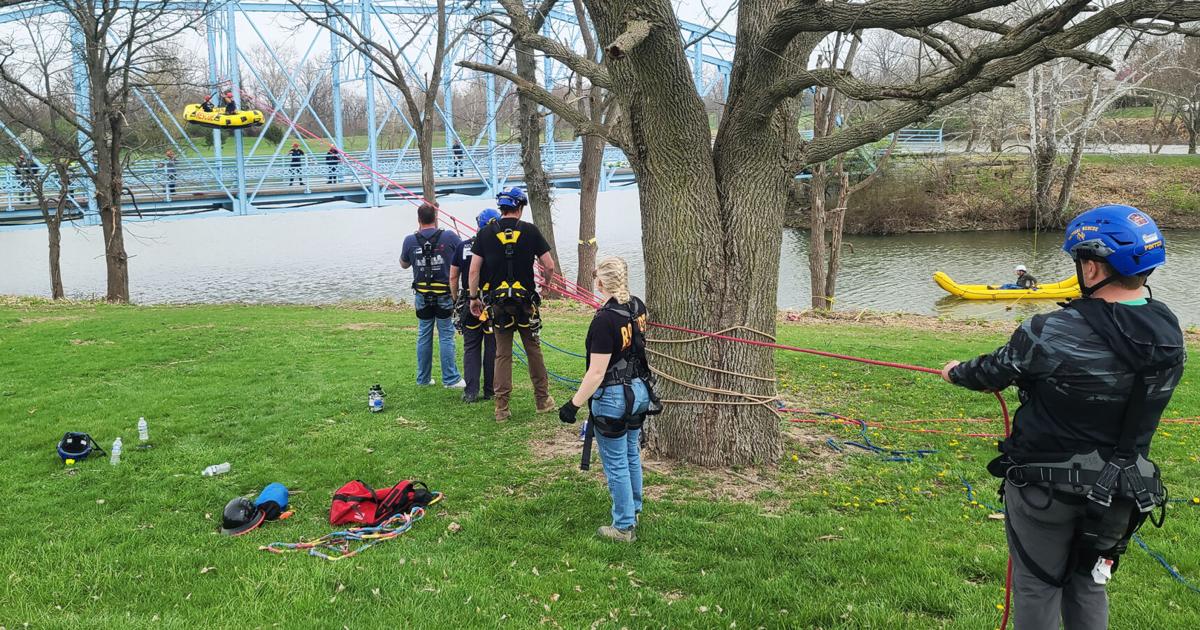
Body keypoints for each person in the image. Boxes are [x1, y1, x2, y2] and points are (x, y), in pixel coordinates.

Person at [940, 205, 1185, 630]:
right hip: (1121, 491)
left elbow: (991, 372)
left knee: (1038, 586)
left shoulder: (1050, 330)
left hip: (1046, 489)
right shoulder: (1168, 329)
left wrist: (954, 371)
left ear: (1091, 268)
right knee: (1089, 584)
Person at [558, 256, 659, 543]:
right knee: (630, 453)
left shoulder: (604, 320)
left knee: (616, 461)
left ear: (601, 282)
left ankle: (624, 526)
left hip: (614, 396)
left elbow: (596, 372)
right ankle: (633, 510)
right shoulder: (637, 307)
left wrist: (573, 404)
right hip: (638, 391)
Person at [467, 187, 556, 422]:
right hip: (525, 303)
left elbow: (474, 270)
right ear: (520, 207)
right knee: (533, 350)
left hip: (499, 305)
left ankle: (502, 408)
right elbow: (549, 265)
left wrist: (474, 297)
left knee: (502, 354)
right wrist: (546, 287)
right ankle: (542, 400)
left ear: (502, 208)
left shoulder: (485, 233)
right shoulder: (530, 230)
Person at [401, 202, 465, 389]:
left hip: (422, 295)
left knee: (424, 335)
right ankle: (450, 379)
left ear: (419, 219)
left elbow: (404, 264)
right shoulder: (449, 236)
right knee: (446, 335)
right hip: (444, 294)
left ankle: (423, 379)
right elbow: (463, 255)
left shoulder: (410, 240)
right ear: (435, 218)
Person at [450, 208, 501, 403]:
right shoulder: (499, 247)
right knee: (492, 345)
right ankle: (490, 390)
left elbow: (453, 276)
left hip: (469, 300)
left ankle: (471, 391)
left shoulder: (463, 246)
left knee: (471, 346)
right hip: (491, 302)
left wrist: (456, 299)